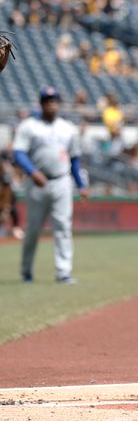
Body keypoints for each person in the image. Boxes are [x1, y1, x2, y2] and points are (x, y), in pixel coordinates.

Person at [13, 87, 90, 284]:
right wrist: (32, 171)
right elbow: (19, 153)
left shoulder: (68, 128)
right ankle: (26, 270)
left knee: (63, 227)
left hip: (62, 181)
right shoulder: (29, 126)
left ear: (59, 103)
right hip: (36, 183)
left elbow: (74, 159)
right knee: (32, 229)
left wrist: (81, 184)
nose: (51, 103)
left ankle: (63, 272)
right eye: (47, 100)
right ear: (41, 103)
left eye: (54, 100)